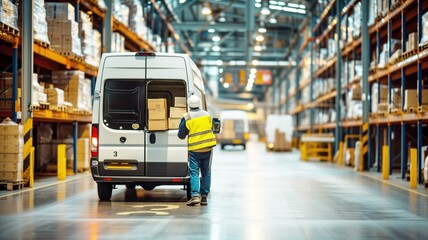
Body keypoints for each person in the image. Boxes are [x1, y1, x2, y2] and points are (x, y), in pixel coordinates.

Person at [177, 95, 217, 206]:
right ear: (199, 104)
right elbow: (210, 128)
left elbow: (181, 135)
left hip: (195, 149)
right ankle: (204, 197)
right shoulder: (207, 114)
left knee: (194, 172)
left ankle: (195, 196)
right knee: (206, 172)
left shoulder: (187, 117)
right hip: (208, 148)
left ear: (189, 105)